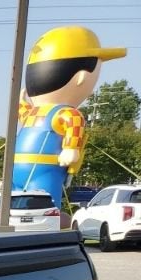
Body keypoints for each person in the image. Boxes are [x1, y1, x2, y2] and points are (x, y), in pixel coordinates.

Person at [14, 27, 125, 209]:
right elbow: (74, 122)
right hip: (44, 170)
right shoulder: (66, 113)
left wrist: (71, 148)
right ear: (81, 76)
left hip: (26, 167)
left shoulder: (43, 112)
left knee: (37, 205)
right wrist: (71, 148)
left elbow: (27, 116)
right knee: (43, 205)